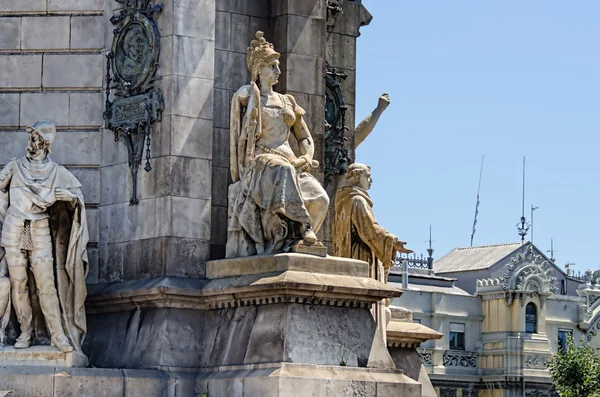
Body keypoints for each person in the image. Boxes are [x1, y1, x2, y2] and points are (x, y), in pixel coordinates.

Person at [226, 32, 329, 257]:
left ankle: (296, 243)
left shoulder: (287, 101)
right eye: (272, 66)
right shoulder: (248, 97)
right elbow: (240, 135)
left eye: (277, 66)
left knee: (321, 197)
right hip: (262, 161)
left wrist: (307, 156)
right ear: (259, 70)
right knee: (283, 170)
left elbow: (305, 137)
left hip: (292, 162)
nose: (278, 72)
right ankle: (305, 226)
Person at [0, 121, 89, 353]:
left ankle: (57, 334)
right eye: (30, 138)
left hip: (38, 226)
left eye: (36, 139)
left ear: (45, 143)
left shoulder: (56, 172)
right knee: (19, 284)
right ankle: (26, 331)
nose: (31, 143)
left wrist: (69, 197)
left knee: (46, 284)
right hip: (14, 227)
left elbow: (76, 197)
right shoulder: (14, 167)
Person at [333, 163, 411, 281]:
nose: (371, 180)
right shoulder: (358, 201)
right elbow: (370, 230)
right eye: (368, 176)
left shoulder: (344, 201)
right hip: (361, 255)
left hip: (348, 254)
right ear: (358, 177)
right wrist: (392, 240)